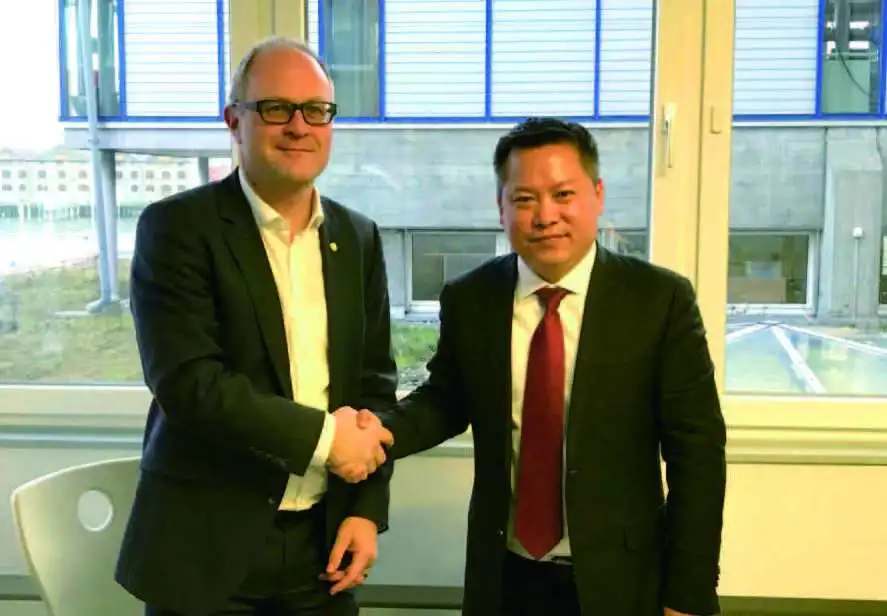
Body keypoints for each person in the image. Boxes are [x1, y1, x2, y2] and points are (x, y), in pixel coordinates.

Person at [362, 118, 727, 616]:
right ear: (501, 207)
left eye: (563, 194)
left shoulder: (659, 300)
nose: (545, 215)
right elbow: (446, 401)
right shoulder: (471, 298)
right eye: (525, 198)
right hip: (505, 575)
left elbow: (698, 455)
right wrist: (379, 433)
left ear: (597, 195)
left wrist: (689, 594)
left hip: (623, 579)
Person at [115, 36, 398, 616]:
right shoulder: (177, 228)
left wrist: (366, 510)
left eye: (315, 110)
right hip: (207, 551)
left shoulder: (358, 238)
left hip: (324, 550)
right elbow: (190, 385)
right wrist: (329, 441)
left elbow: (374, 385)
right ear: (234, 120)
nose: (298, 126)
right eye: (275, 108)